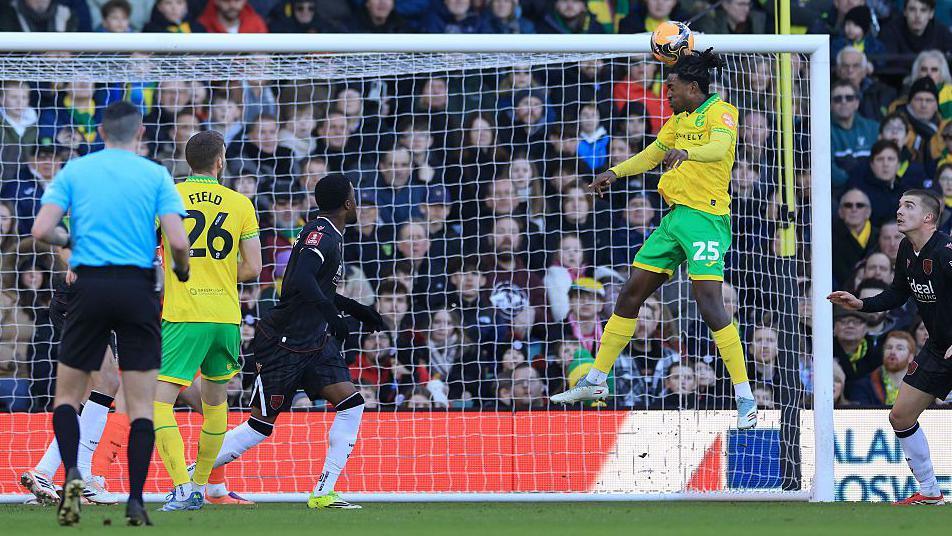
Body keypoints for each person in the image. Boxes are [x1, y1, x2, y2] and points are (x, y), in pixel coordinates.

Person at [550, 49, 758, 431]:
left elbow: (718, 149)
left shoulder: (721, 112)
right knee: (630, 293)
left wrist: (687, 151)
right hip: (675, 218)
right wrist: (613, 173)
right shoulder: (677, 120)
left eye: (671, 87)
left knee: (710, 304)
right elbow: (651, 155)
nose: (666, 94)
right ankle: (596, 380)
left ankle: (745, 396)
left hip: (707, 220)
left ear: (693, 87)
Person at [30, 101, 191, 526]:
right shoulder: (155, 174)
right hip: (137, 289)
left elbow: (41, 230)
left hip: (89, 287)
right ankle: (136, 501)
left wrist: (75, 237)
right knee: (139, 403)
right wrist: (181, 268)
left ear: (101, 132)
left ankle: (71, 483)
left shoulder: (76, 172)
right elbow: (177, 239)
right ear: (139, 134)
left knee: (67, 396)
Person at [204, 174, 385, 509]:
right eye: (355, 198)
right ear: (347, 203)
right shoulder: (321, 236)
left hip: (313, 341)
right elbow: (300, 279)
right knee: (260, 425)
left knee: (351, 403)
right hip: (284, 342)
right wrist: (333, 318)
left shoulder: (331, 234)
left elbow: (318, 289)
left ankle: (323, 492)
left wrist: (357, 310)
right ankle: (189, 479)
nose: (357, 203)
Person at [152, 131, 262, 511]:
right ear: (221, 160)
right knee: (216, 406)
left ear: (187, 163)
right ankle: (201, 484)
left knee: (158, 403)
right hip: (226, 318)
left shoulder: (169, 197)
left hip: (185, 316)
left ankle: (184, 488)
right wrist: (217, 274)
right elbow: (254, 267)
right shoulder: (241, 203)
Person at [829, 189, 952, 505]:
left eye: (908, 206)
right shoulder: (907, 250)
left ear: (928, 217)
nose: (899, 211)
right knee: (900, 416)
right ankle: (929, 490)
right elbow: (898, 293)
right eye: (898, 206)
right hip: (939, 348)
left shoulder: (946, 252)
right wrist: (861, 303)